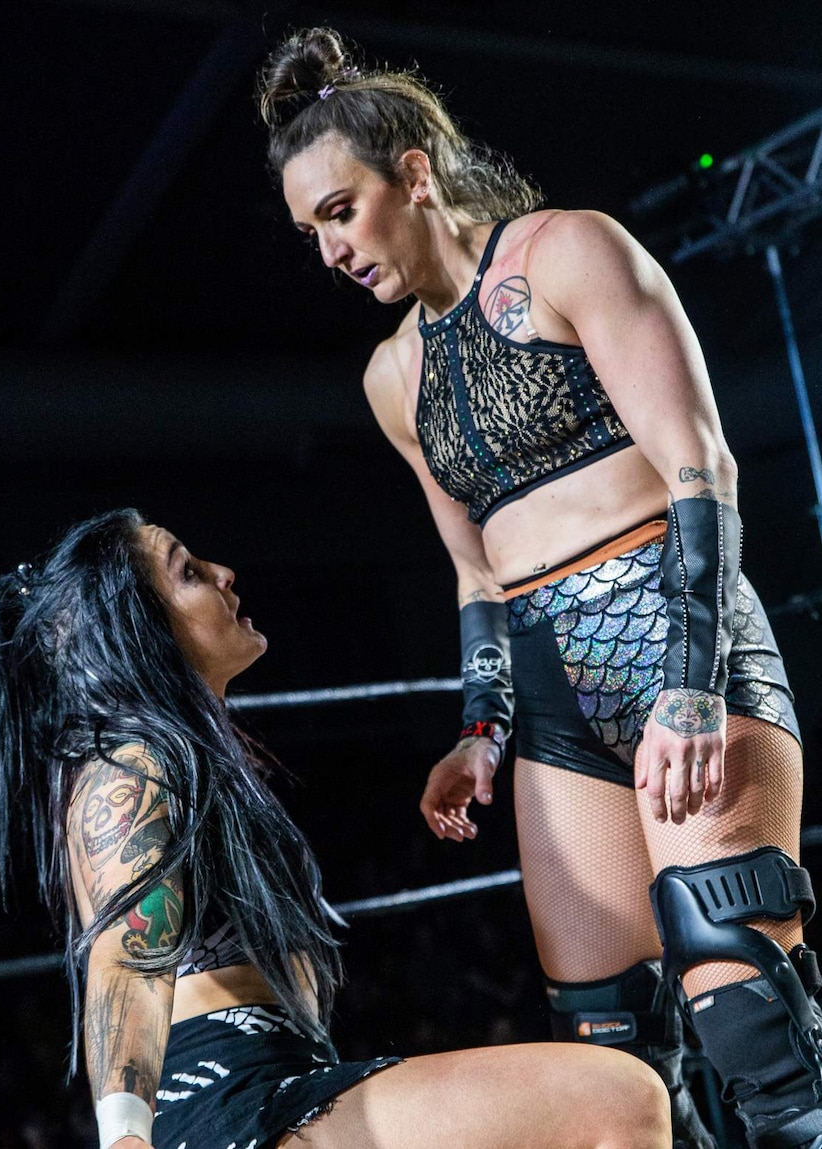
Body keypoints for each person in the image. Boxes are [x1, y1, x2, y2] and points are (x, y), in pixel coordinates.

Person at [257, 26, 822, 1149]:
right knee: (608, 1048)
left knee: (742, 995)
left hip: (674, 632)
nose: (327, 251)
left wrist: (691, 686)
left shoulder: (569, 250)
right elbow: (475, 570)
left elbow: (700, 463)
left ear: (413, 172)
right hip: (553, 702)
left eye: (337, 211)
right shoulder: (391, 377)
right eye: (305, 231)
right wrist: (480, 729)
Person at [0, 508, 670, 1149]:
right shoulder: (127, 768)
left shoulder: (191, 759)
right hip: (227, 1102)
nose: (224, 574)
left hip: (284, 1077)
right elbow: (126, 956)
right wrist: (124, 1136)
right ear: (141, 632)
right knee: (617, 1097)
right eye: (187, 572)